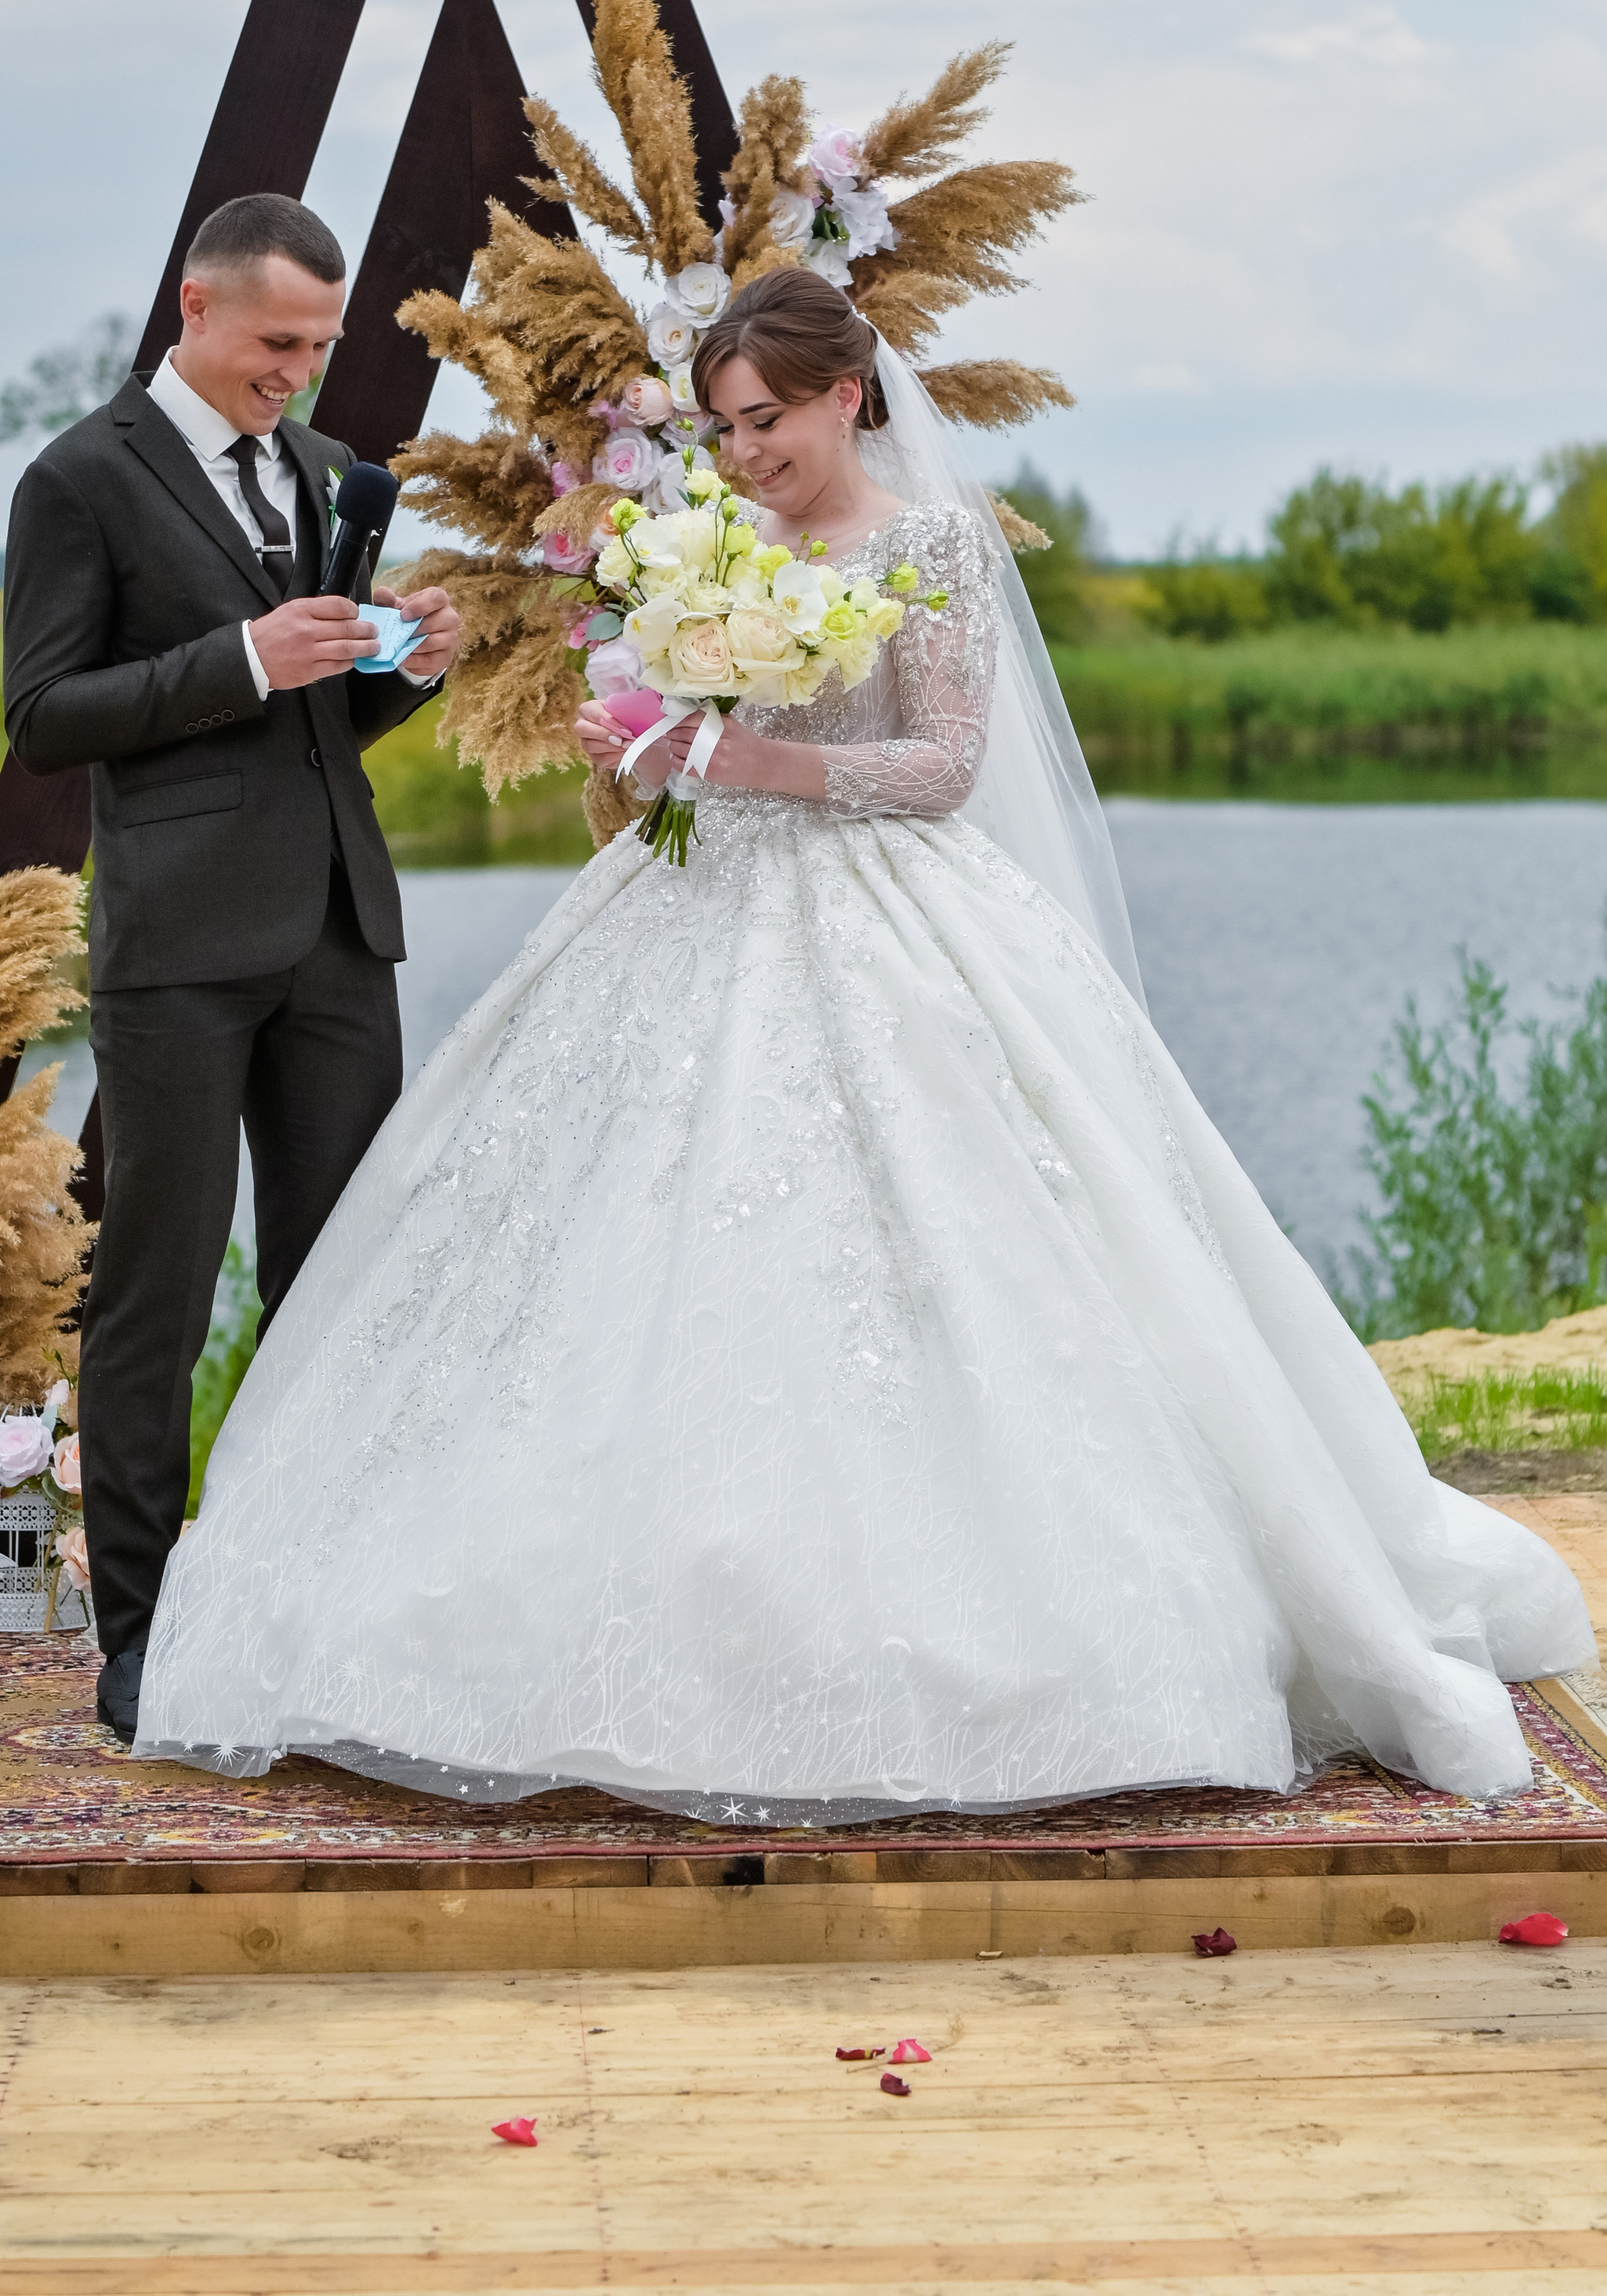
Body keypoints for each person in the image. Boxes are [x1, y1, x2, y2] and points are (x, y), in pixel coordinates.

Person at [131, 265, 1591, 1819]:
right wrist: (648, 747)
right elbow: (698, 744)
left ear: (846, 392)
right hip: (692, 903)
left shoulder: (929, 542)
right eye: (722, 425)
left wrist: (738, 754)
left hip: (892, 916)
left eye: (767, 418)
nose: (744, 450)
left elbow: (944, 765)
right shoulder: (713, 540)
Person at [2, 191, 460, 1743]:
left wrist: (401, 668)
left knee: (339, 1287)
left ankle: (314, 1612)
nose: (298, 373)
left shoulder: (327, 471)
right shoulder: (78, 479)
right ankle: (138, 1639)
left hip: (337, 934)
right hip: (180, 951)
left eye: (317, 347)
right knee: (159, 1292)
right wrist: (244, 658)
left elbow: (318, 725)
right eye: (278, 342)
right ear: (194, 307)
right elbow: (45, 716)